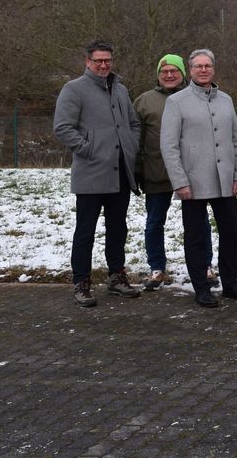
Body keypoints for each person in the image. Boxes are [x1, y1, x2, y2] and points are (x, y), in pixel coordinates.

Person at [161, 49, 237, 308]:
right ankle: (201, 287)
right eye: (198, 66)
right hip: (192, 182)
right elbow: (169, 146)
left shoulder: (225, 99)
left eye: (208, 65)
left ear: (213, 68)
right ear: (190, 70)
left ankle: (231, 283)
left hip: (226, 181)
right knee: (196, 237)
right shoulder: (177, 102)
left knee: (230, 233)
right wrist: (180, 181)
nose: (203, 69)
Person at [53, 40, 142, 306]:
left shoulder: (121, 90)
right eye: (98, 61)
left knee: (118, 229)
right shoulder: (74, 89)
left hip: (120, 174)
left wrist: (130, 145)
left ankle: (116, 277)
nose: (103, 65)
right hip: (92, 173)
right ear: (88, 62)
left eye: (107, 60)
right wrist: (89, 149)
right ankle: (81, 282)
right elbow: (62, 127)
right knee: (85, 232)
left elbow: (134, 123)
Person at [134, 54, 216, 291]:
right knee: (154, 222)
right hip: (157, 173)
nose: (169, 75)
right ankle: (157, 268)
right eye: (164, 71)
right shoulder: (143, 102)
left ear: (184, 73)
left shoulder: (197, 97)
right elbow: (136, 141)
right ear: (158, 74)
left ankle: (205, 266)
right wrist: (138, 172)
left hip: (192, 173)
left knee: (199, 223)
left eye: (174, 71)